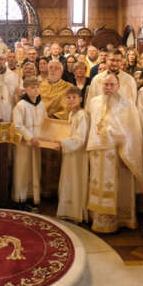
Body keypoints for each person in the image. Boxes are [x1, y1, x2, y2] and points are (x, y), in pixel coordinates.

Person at [86, 73, 143, 233]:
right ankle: (97, 219)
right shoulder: (94, 102)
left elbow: (133, 131)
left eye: (112, 85)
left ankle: (120, 221)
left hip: (118, 153)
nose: (109, 88)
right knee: (96, 184)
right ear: (101, 85)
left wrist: (128, 152)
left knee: (118, 187)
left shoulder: (127, 105)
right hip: (97, 152)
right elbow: (90, 125)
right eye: (106, 85)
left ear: (119, 86)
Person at [53, 86, 90, 223]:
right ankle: (67, 212)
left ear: (80, 99)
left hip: (78, 155)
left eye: (74, 97)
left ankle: (77, 214)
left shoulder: (82, 115)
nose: (71, 100)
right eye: (68, 98)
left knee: (76, 182)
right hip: (70, 154)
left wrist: (62, 143)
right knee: (68, 181)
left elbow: (81, 139)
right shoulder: (71, 114)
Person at [12, 76, 46, 210]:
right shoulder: (21, 105)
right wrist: (30, 137)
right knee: (23, 170)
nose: (36, 90)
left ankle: (33, 198)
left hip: (37, 144)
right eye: (32, 88)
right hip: (24, 145)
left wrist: (44, 137)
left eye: (37, 87)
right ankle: (21, 199)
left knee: (35, 171)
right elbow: (17, 125)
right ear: (25, 89)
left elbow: (46, 123)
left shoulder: (42, 104)